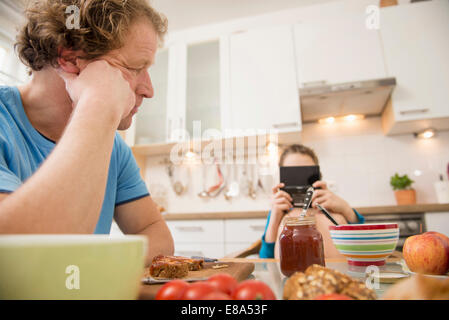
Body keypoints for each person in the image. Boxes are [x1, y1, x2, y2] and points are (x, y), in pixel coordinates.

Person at [0, 0, 174, 265]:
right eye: (135, 68)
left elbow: (157, 234)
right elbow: (27, 256)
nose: (149, 90)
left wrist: (94, 268)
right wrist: (99, 103)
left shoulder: (114, 148)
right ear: (69, 59)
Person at [259, 144, 365, 259]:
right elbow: (265, 259)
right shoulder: (280, 211)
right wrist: (274, 218)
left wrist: (346, 209)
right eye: (293, 175)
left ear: (318, 176)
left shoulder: (332, 207)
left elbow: (362, 244)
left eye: (306, 174)